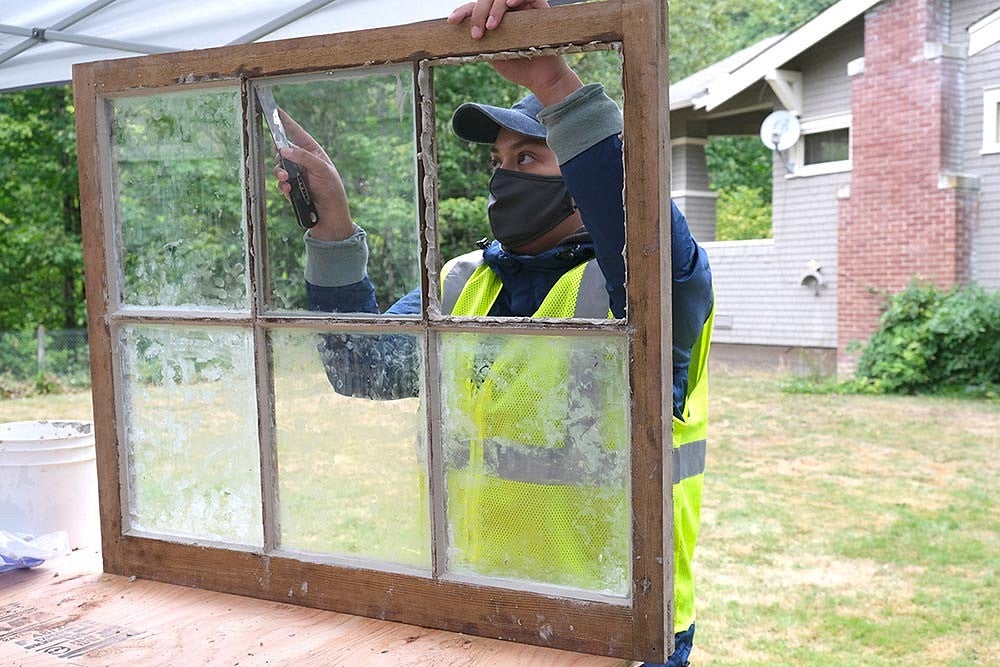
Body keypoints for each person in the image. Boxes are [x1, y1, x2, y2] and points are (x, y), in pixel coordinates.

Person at [273, 2, 713, 664]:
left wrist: (557, 87)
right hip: (478, 616)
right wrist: (330, 223)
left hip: (615, 628)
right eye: (500, 160)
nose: (504, 176)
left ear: (581, 177)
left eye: (528, 156)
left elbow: (641, 229)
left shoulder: (653, 287)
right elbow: (361, 367)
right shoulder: (463, 282)